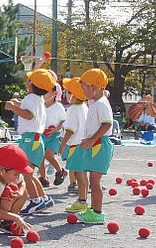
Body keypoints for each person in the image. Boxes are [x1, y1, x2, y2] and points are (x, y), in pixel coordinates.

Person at [5, 69, 55, 215]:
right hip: (37, 140)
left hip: (29, 139)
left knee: (26, 173)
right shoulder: (38, 99)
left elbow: (28, 115)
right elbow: (29, 109)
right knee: (30, 173)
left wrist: (12, 107)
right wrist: (17, 103)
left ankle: (35, 200)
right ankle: (43, 197)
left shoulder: (30, 99)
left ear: (31, 84)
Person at [77, 68, 113, 224]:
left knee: (95, 181)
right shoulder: (95, 103)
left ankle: (97, 213)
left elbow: (107, 124)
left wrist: (92, 140)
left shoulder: (101, 104)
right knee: (93, 180)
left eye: (85, 87)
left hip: (100, 145)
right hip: (95, 144)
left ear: (95, 87)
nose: (83, 91)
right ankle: (93, 209)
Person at [58, 78, 89, 212]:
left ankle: (82, 201)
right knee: (83, 174)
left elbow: (70, 130)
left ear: (74, 95)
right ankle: (84, 198)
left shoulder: (72, 109)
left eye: (68, 92)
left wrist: (63, 144)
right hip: (84, 144)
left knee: (78, 174)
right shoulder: (84, 107)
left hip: (75, 145)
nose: (66, 95)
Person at [39, 82, 67, 188]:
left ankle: (61, 171)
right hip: (42, 134)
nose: (44, 93)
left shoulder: (58, 106)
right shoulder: (41, 105)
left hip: (54, 136)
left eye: (46, 91)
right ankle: (43, 178)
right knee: (40, 157)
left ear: (55, 93)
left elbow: (63, 120)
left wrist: (56, 129)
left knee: (48, 156)